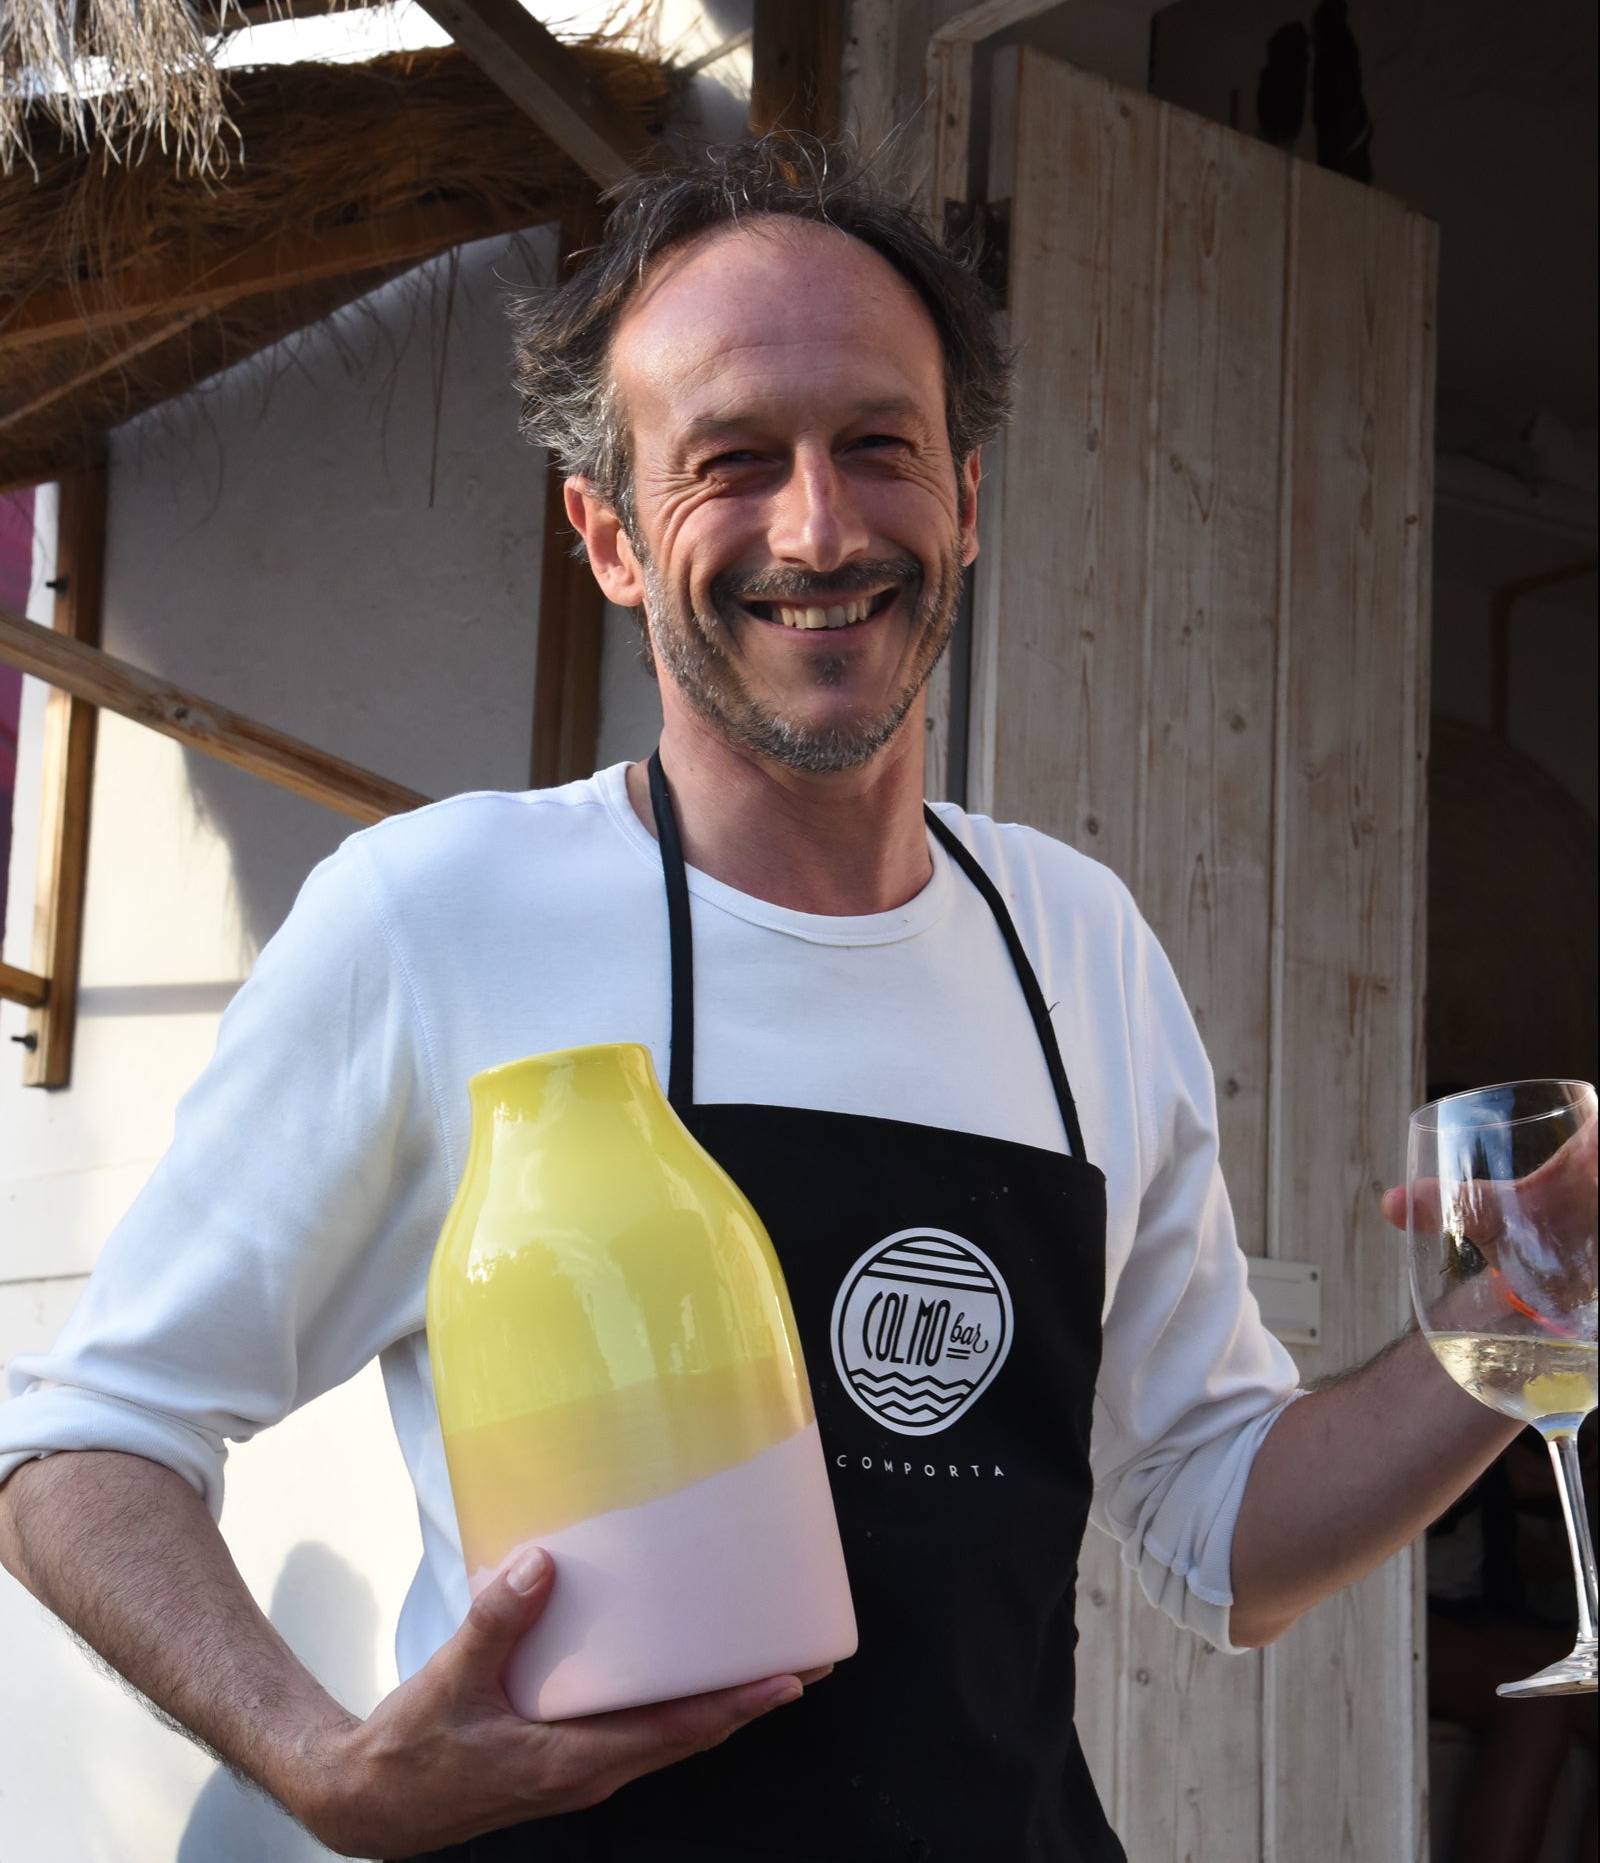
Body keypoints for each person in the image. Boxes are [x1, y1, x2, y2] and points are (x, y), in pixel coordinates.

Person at [0, 137, 1523, 1861]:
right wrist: (319, 1763)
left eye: (879, 445)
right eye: (733, 461)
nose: (819, 526)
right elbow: (85, 1445)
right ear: (611, 539)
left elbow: (1223, 1538)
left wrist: (1533, 1320)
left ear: (965, 489)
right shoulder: (441, 918)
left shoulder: (1078, 941)